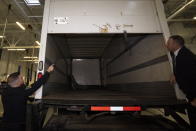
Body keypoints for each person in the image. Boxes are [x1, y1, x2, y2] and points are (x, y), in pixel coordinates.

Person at [1, 65, 54, 131]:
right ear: (18, 81)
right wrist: (48, 72)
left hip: (5, 123)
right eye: (21, 78)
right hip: (18, 125)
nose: (23, 79)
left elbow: (28, 87)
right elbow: (37, 84)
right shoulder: (22, 92)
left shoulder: (5, 91)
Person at [166, 35, 196, 130]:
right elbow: (181, 70)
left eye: (168, 43)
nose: (166, 45)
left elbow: (193, 77)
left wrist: (194, 98)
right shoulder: (177, 54)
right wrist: (175, 75)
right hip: (190, 96)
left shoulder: (187, 56)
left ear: (175, 44)